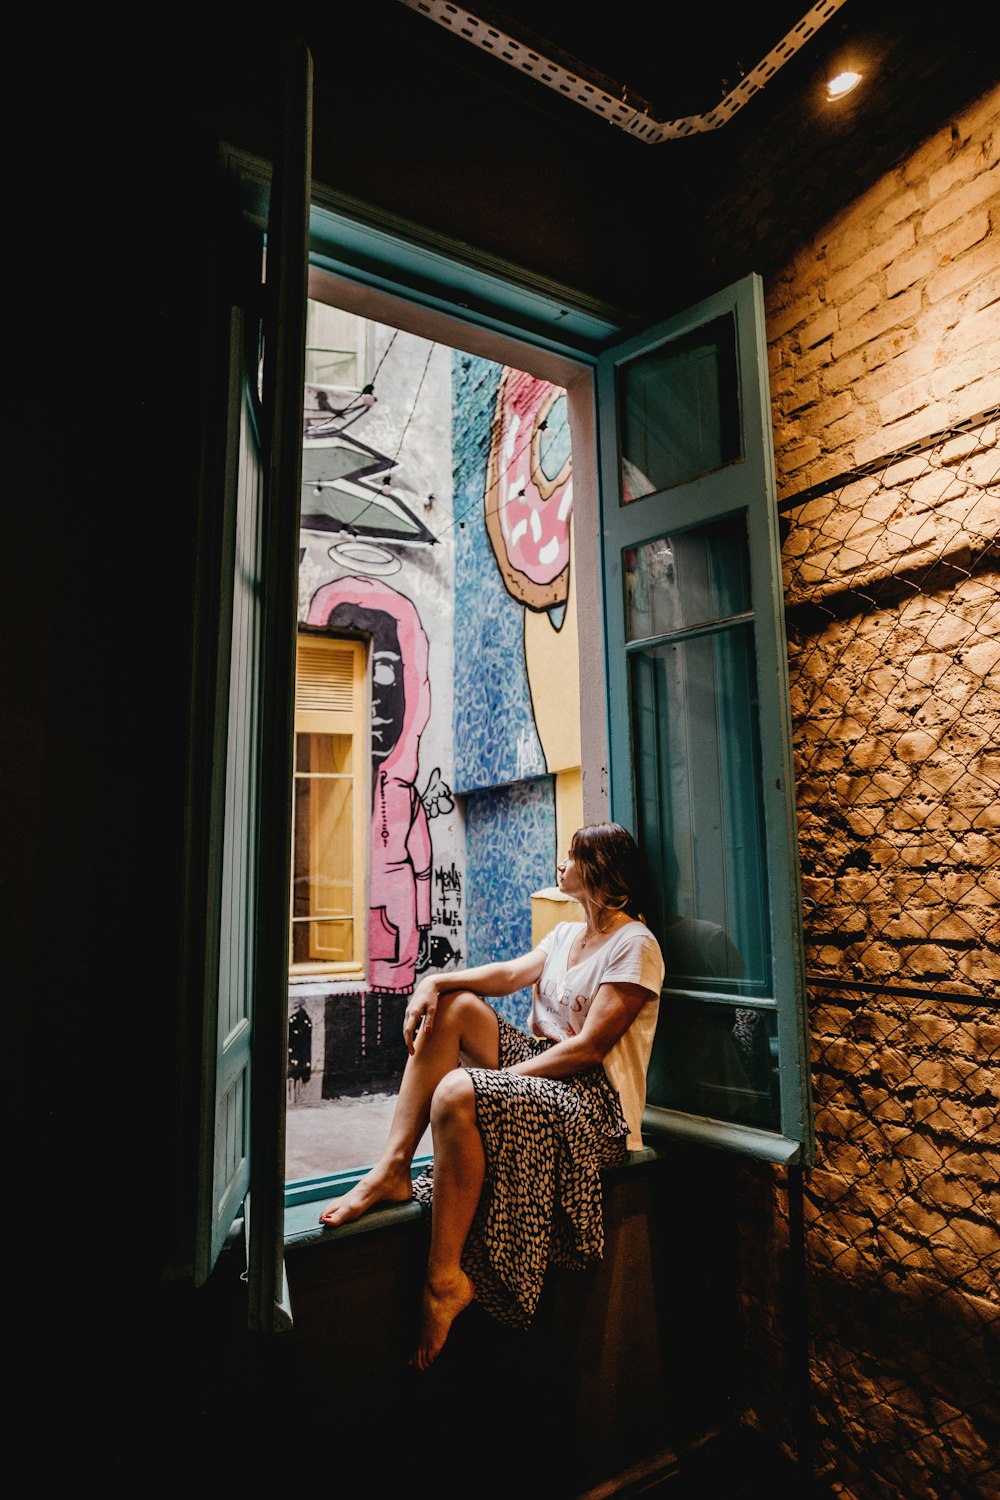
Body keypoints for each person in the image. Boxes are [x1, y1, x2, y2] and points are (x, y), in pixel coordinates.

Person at [318, 821, 665, 1372]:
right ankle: (392, 1167)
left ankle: (444, 1280)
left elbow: (589, 1050)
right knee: (452, 1009)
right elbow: (506, 975)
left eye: (570, 855)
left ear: (597, 870)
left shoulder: (635, 944)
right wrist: (435, 982)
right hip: (545, 1074)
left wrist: (510, 1078)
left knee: (458, 1090)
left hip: (594, 1106)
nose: (561, 863)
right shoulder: (568, 936)